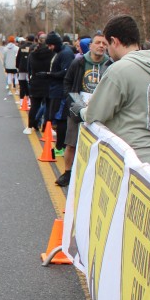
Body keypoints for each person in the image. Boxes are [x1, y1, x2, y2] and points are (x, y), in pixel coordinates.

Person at [80, 15, 150, 177]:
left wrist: (80, 110)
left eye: (107, 45)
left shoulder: (119, 70)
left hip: (134, 157)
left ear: (114, 41)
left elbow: (94, 114)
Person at [57, 31, 112, 186]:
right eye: (98, 42)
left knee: (99, 145)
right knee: (71, 143)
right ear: (90, 45)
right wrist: (75, 102)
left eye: (104, 43)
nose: (101, 46)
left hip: (100, 111)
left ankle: (94, 176)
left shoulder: (110, 65)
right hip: (77, 107)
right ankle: (67, 173)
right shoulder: (79, 62)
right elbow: (67, 83)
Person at [47, 33, 76, 155]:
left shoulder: (66, 54)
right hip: (56, 89)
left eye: (51, 45)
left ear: (56, 44)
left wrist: (49, 75)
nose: (49, 48)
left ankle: (61, 146)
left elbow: (66, 72)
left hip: (61, 91)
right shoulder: (61, 52)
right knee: (57, 118)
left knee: (61, 119)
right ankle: (60, 146)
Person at [24, 33, 55, 135]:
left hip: (35, 81)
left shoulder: (32, 54)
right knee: (49, 106)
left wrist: (30, 78)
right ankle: (47, 127)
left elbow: (29, 68)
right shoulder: (52, 54)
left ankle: (30, 126)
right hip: (48, 81)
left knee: (34, 106)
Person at [15, 36, 31, 100]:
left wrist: (17, 66)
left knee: (22, 84)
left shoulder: (21, 47)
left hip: (21, 68)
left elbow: (18, 58)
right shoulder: (33, 47)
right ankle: (29, 100)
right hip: (29, 69)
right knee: (28, 83)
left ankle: (22, 100)